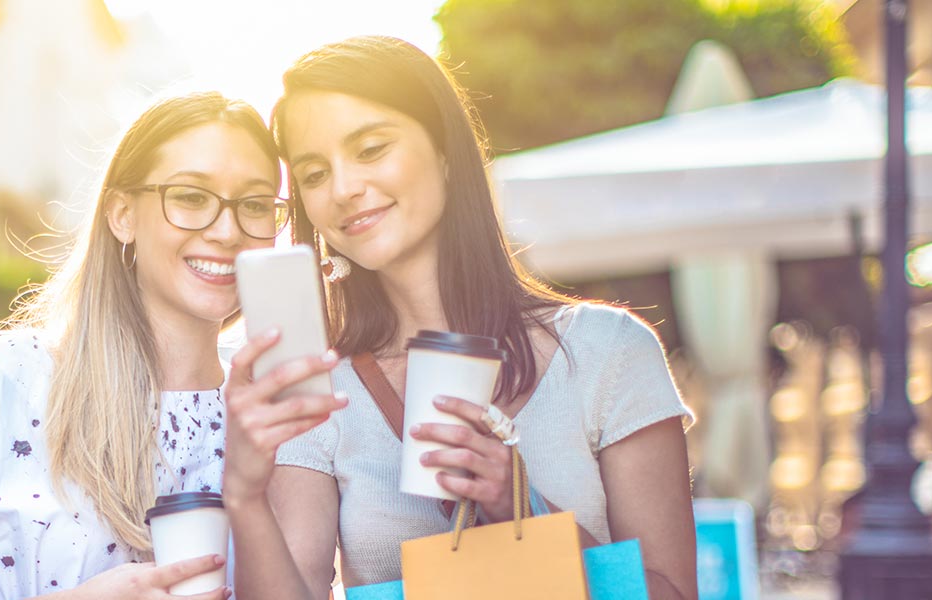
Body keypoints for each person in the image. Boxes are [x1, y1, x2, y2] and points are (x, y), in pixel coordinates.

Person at [223, 36, 699, 599]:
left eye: (371, 149)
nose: (344, 189)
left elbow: (674, 593)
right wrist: (244, 496)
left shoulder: (609, 352)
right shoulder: (320, 392)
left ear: (446, 152)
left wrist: (522, 509)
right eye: (313, 173)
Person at [0, 91, 292, 600]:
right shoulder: (0, 385)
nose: (226, 229)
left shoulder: (279, 411)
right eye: (191, 197)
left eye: (256, 205)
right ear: (122, 215)